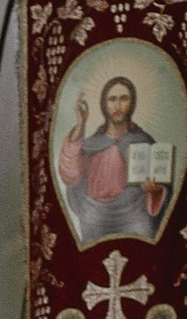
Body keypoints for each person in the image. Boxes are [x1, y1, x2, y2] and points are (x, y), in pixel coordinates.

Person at [56, 71, 170, 247]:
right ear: (104, 103)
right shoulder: (92, 144)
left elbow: (162, 184)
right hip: (95, 218)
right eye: (112, 99)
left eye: (123, 98)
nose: (117, 105)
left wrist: (155, 191)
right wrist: (81, 123)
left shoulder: (143, 142)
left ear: (132, 103)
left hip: (135, 216)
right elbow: (69, 173)